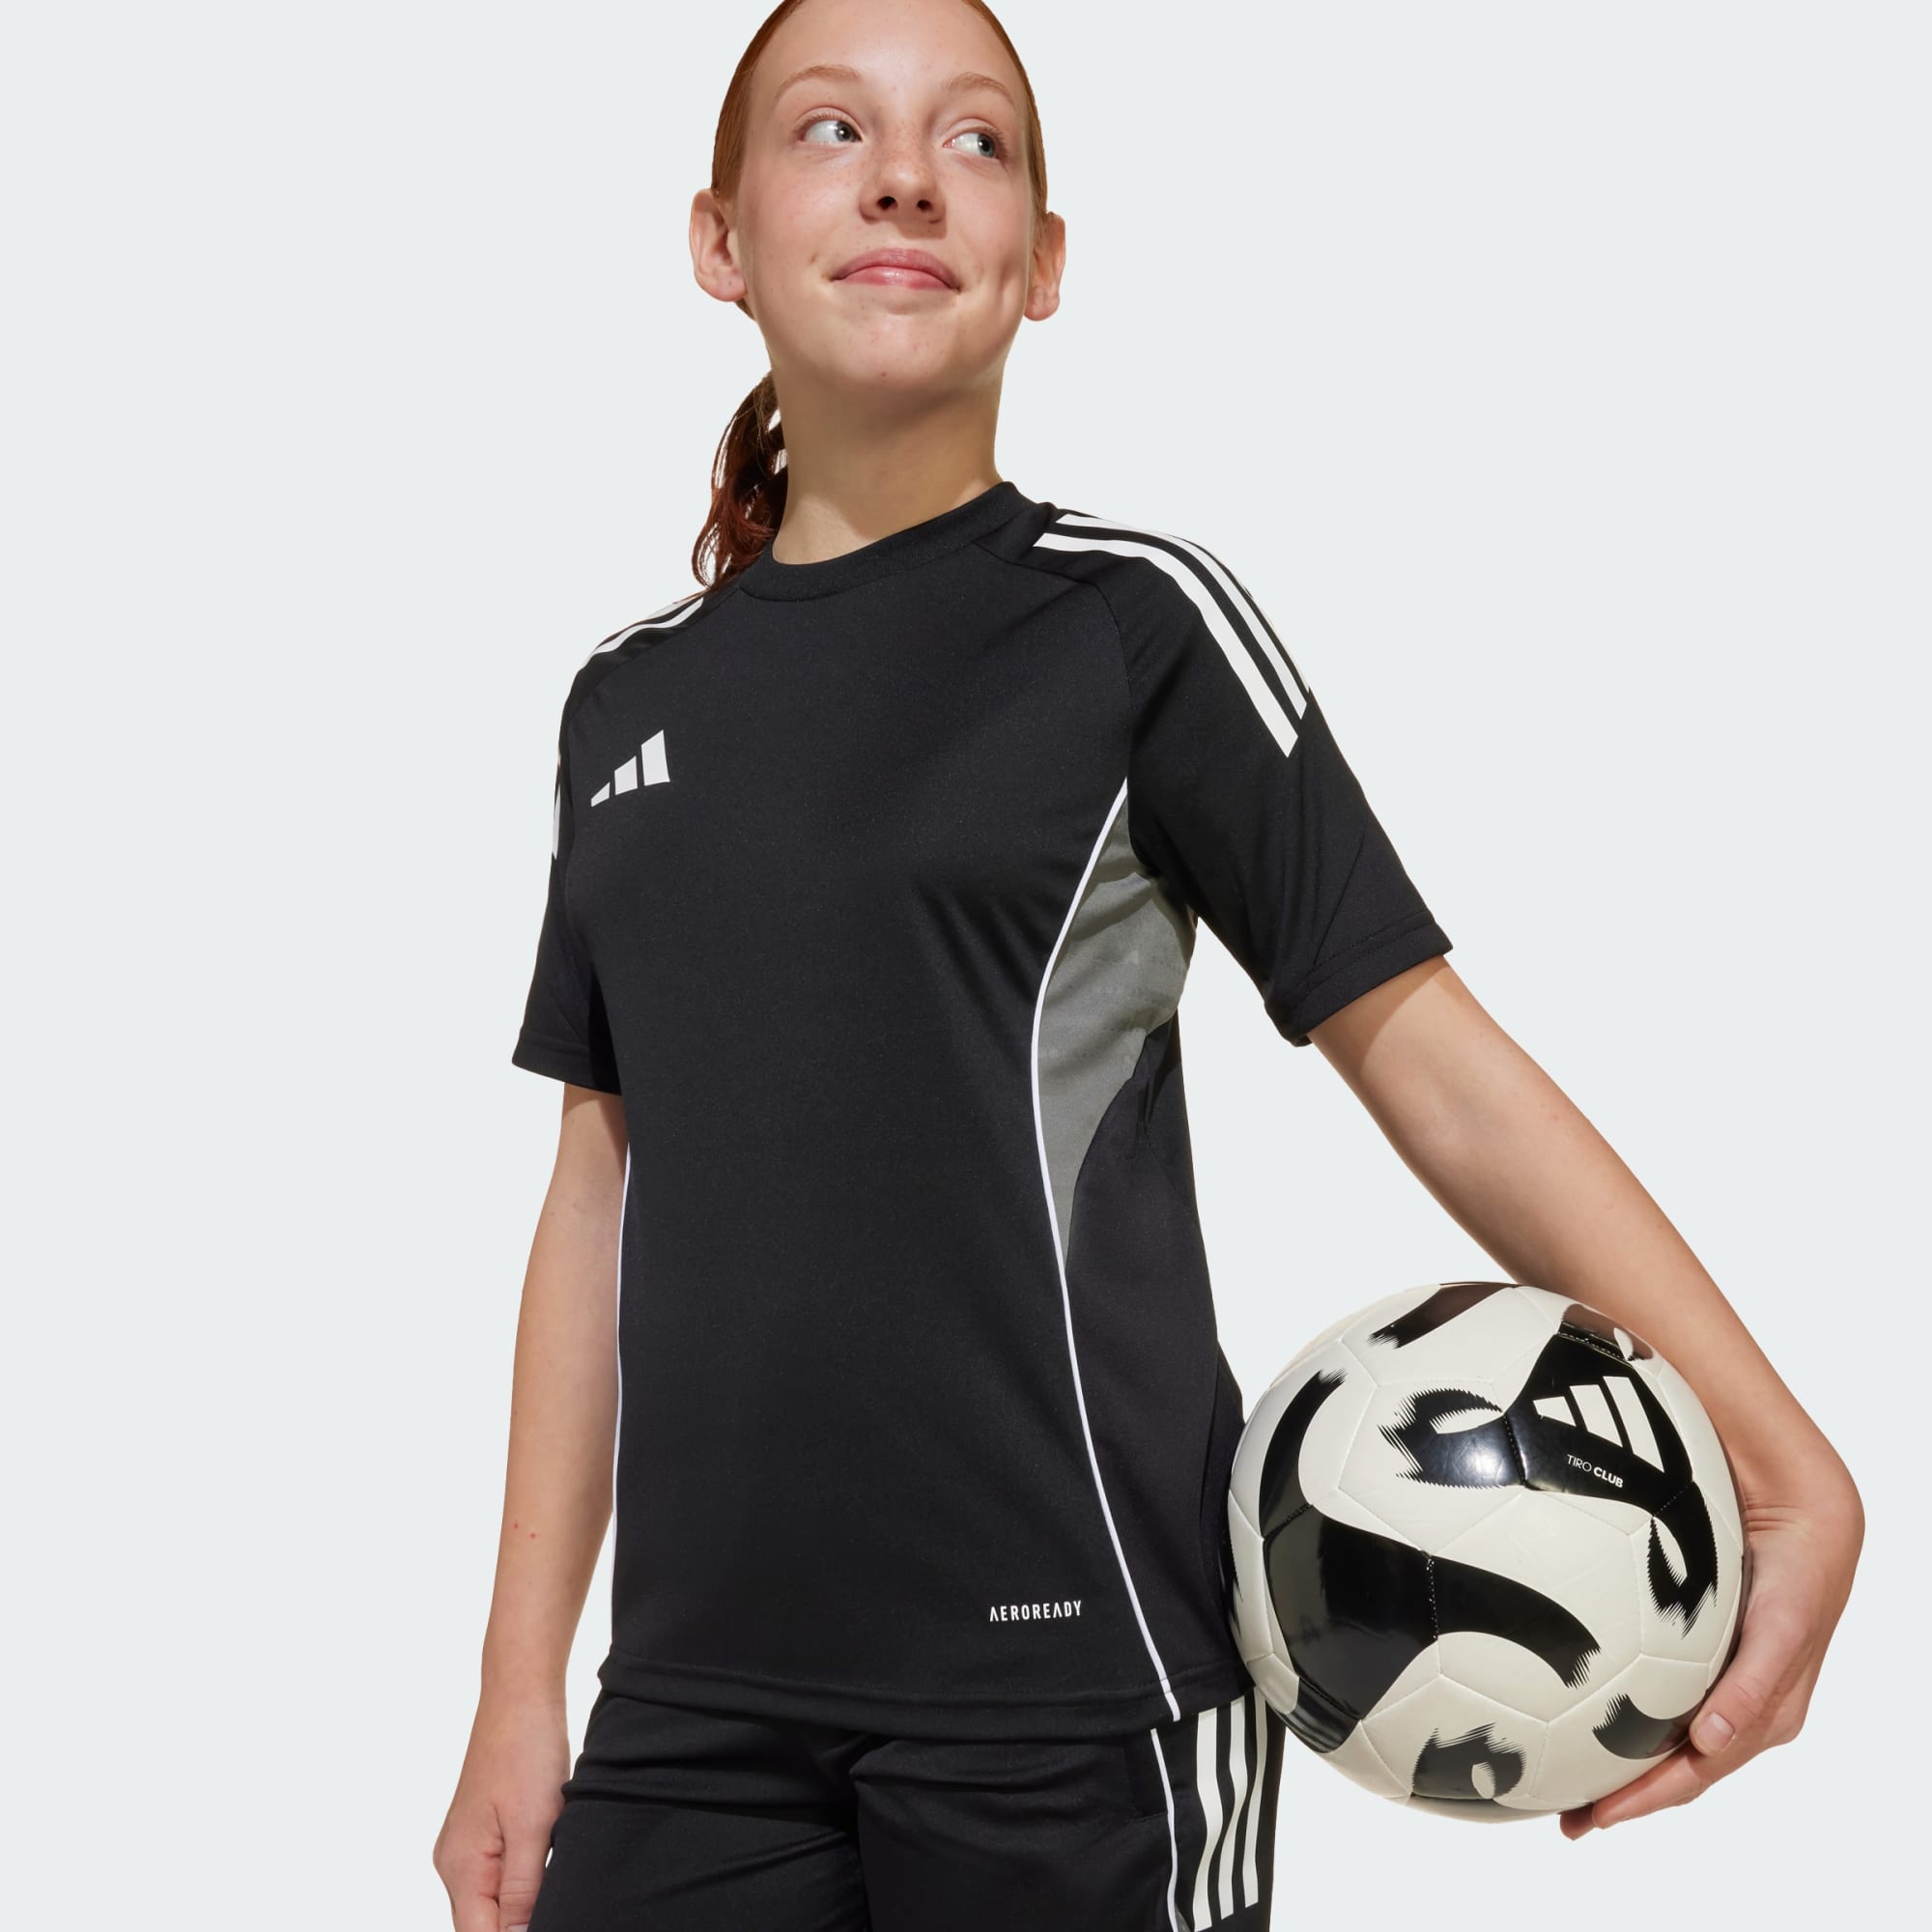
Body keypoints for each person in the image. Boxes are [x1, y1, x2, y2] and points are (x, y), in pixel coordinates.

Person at [434, 1, 1865, 1926]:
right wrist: (517, 1686)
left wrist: (1786, 1466)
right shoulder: (624, 703)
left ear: (1040, 263)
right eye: (830, 129)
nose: (904, 176)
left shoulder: (1131, 630)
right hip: (695, 1713)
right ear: (720, 239)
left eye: (974, 141)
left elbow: (1429, 1055)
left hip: (1077, 1700)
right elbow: (599, 1187)